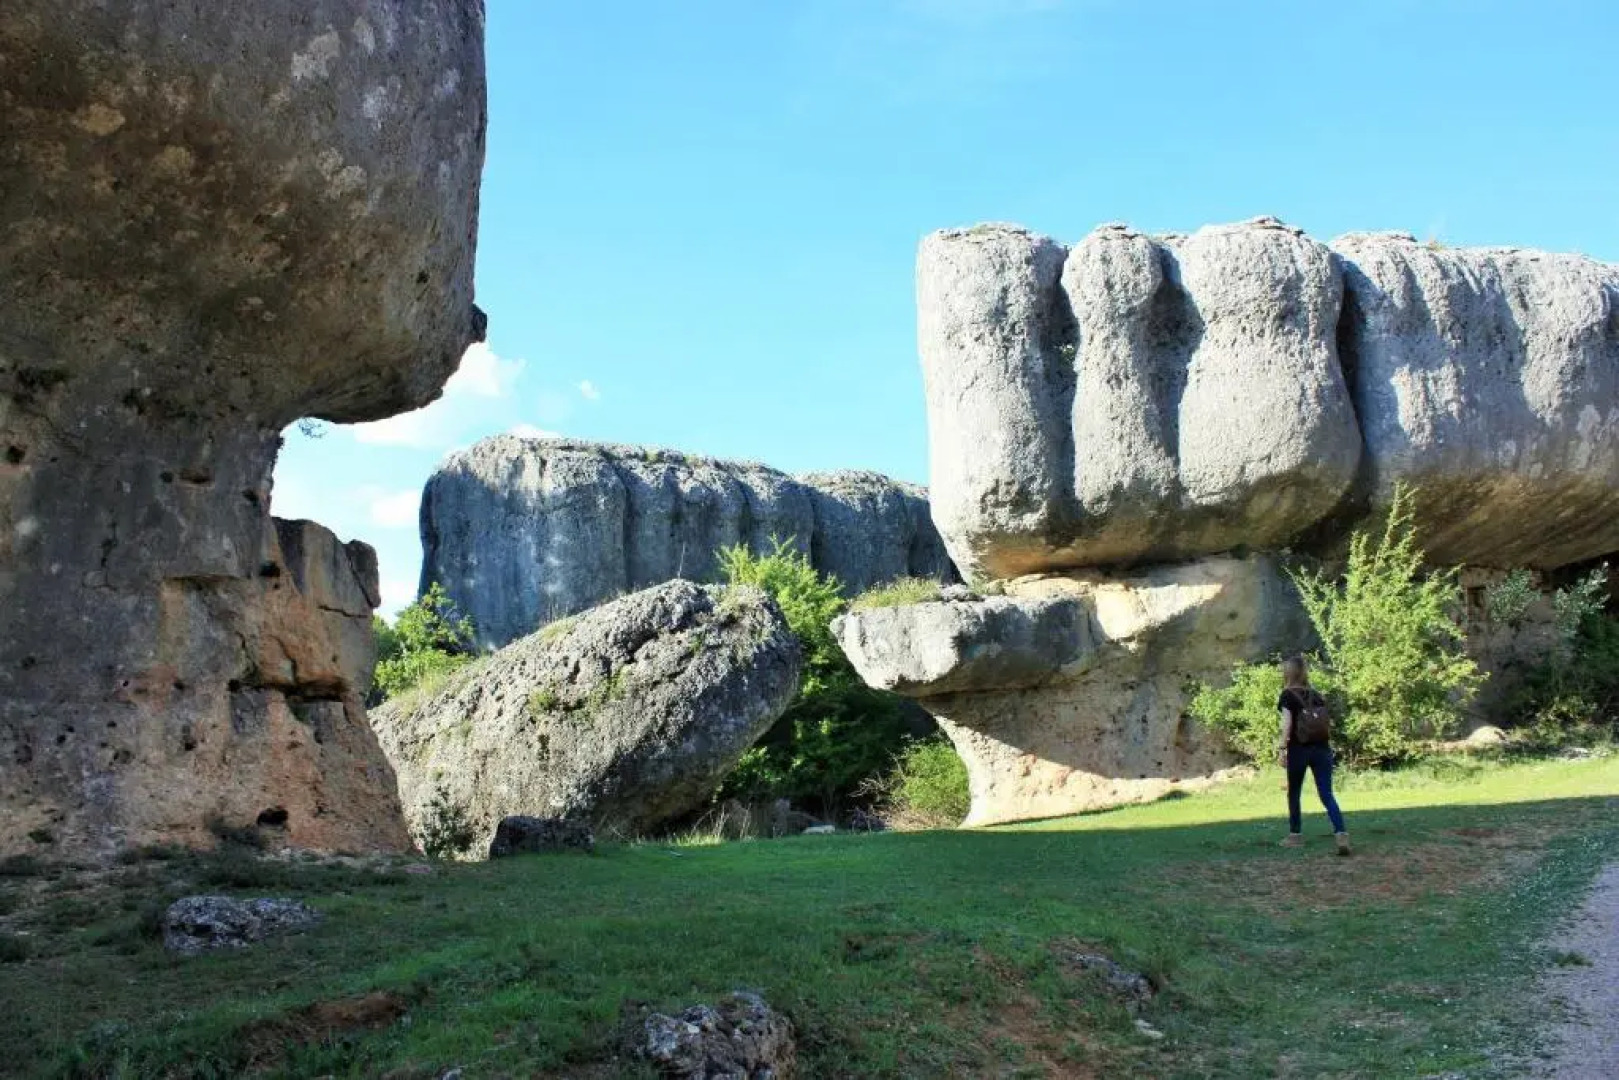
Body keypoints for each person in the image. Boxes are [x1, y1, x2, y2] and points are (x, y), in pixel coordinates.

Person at [1276, 655, 1350, 855]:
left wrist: (1282, 748)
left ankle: (1295, 836)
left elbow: (1287, 724)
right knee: (1326, 793)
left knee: (1294, 793)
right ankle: (1341, 833)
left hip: (1299, 750)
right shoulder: (1317, 694)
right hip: (1322, 749)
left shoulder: (1287, 695)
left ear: (1288, 673)